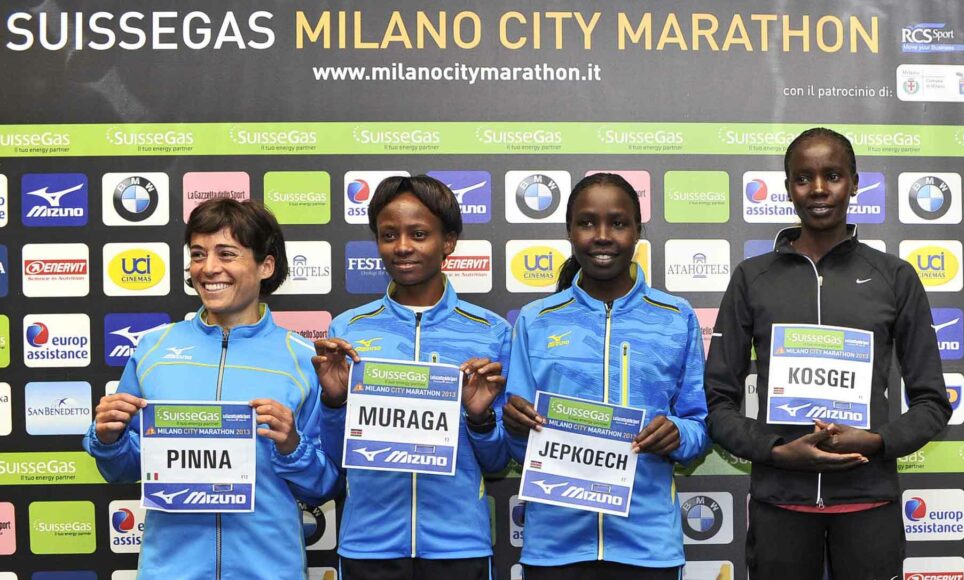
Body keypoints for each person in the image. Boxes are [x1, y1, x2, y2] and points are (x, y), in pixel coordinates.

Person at [705, 128, 952, 579]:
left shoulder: (894, 276)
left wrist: (876, 442)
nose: (818, 189)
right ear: (788, 188)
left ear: (854, 184)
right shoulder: (752, 278)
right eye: (804, 178)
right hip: (780, 502)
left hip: (867, 501)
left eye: (833, 176)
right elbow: (717, 402)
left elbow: (933, 403)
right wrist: (776, 451)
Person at [84, 198, 338, 577]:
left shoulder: (303, 359)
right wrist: (109, 439)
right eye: (198, 254)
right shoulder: (154, 348)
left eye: (227, 253)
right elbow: (123, 470)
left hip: (268, 570)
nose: (209, 268)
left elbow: (325, 485)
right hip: (171, 571)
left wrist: (291, 446)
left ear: (266, 265)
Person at [503, 173, 709, 580]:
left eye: (617, 223)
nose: (602, 236)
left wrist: (678, 434)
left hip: (648, 548)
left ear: (638, 232)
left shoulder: (676, 317)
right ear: (569, 231)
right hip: (554, 549)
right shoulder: (535, 320)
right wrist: (514, 425)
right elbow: (519, 446)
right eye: (587, 223)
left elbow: (698, 426)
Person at [312, 175, 511, 580]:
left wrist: (480, 419)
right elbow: (334, 457)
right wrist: (334, 402)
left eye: (418, 234)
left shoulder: (491, 332)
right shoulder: (348, 329)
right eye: (389, 235)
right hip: (369, 545)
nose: (402, 247)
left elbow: (496, 463)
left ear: (448, 242)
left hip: (459, 547)